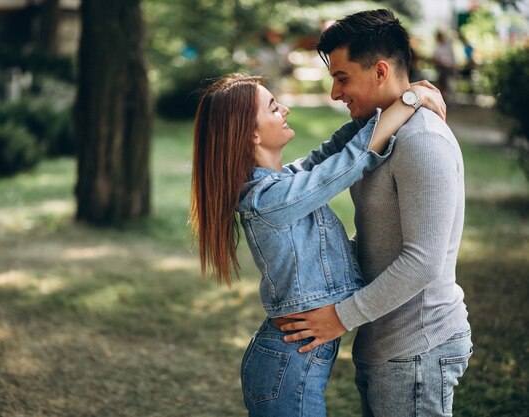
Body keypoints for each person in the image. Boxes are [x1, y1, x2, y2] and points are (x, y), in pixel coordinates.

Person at [189, 72, 445, 417]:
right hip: (287, 367)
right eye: (273, 107)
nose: (286, 110)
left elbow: (331, 151)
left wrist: (396, 98)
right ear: (251, 133)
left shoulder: (281, 183)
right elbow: (348, 162)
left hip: (288, 361)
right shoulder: (269, 199)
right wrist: (409, 102)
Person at [277, 9, 472, 417]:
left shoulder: (423, 140)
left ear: (380, 70)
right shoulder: (377, 129)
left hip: (419, 348)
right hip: (386, 345)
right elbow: (315, 171)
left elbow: (423, 262)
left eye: (342, 78)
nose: (334, 93)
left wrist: (340, 318)